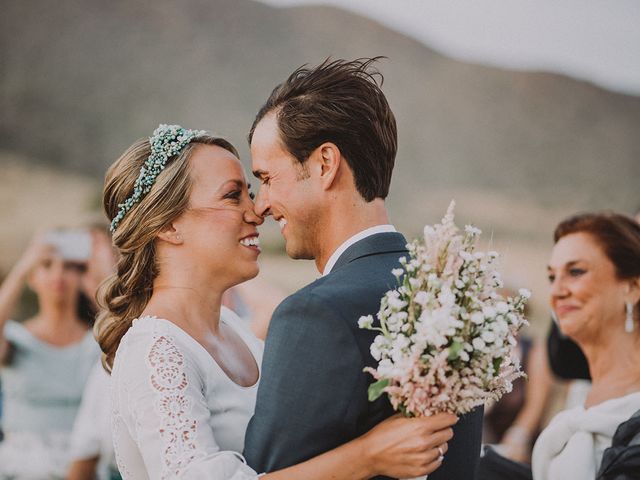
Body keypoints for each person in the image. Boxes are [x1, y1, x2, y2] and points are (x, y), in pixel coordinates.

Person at [98, 124, 457, 479]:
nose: (256, 212)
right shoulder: (155, 350)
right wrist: (368, 456)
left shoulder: (235, 330)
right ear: (169, 225)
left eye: (249, 192)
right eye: (231, 195)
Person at [242, 58, 483, 480]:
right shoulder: (451, 297)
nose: (260, 205)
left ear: (324, 164)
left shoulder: (315, 314)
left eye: (266, 177)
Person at [479, 212, 640, 480]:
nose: (557, 291)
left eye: (576, 271)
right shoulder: (587, 398)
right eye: (552, 277)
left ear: (633, 287)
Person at [0, 232, 101, 478]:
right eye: (46, 265)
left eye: (69, 266)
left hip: (83, 465)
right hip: (20, 467)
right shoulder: (15, 337)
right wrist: (23, 266)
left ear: (81, 275)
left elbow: (126, 334)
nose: (58, 275)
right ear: (32, 277)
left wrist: (102, 275)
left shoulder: (97, 341)